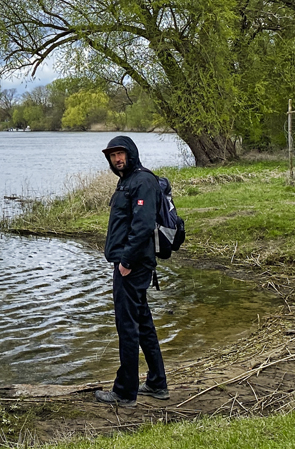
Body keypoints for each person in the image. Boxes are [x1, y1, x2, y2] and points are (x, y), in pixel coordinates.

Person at [94, 135, 168, 408]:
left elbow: (143, 226)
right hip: (131, 264)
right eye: (112, 155)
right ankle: (157, 383)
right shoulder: (127, 181)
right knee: (143, 323)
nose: (117, 159)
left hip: (132, 266)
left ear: (131, 154)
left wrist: (125, 262)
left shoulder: (142, 181)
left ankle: (125, 392)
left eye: (120, 154)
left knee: (127, 327)